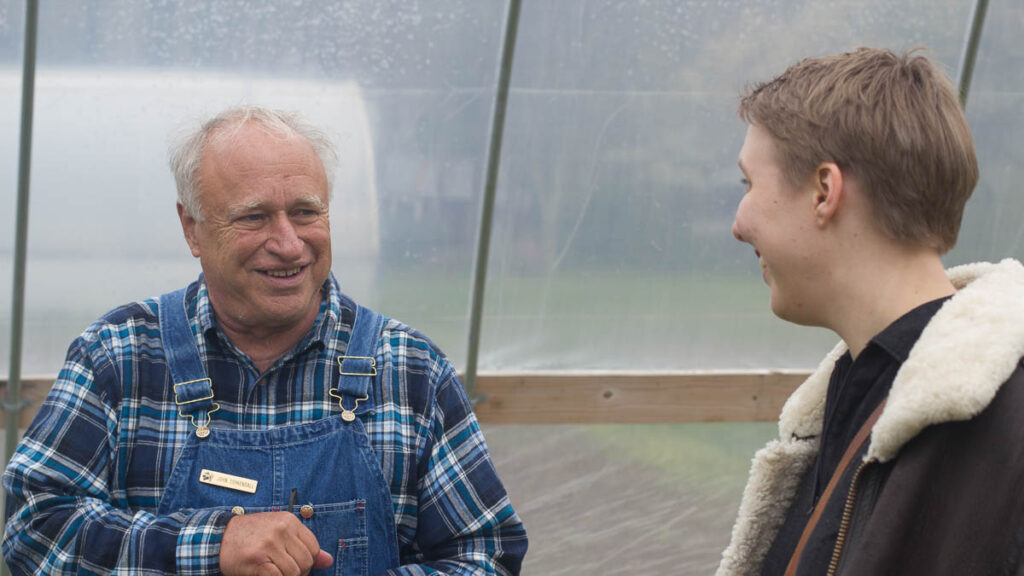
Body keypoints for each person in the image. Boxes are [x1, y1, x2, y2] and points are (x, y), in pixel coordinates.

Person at [2, 106, 527, 575]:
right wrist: (209, 546)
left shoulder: (411, 372)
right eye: (254, 217)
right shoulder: (119, 357)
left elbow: (486, 555)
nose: (288, 243)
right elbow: (31, 529)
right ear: (192, 228)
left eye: (305, 211)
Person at [717, 47, 1024, 576]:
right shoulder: (849, 395)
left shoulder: (1007, 428)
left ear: (824, 191)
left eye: (749, 183)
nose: (738, 223)